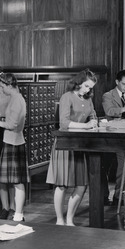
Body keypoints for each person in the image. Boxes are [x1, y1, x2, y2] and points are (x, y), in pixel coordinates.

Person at [46, 69, 98, 226]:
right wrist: (86, 126)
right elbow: (64, 123)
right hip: (65, 144)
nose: (89, 90)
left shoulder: (88, 98)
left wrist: (95, 122)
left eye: (91, 87)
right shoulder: (66, 97)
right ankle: (59, 220)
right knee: (61, 184)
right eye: (87, 86)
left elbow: (93, 115)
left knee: (81, 185)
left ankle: (69, 219)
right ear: (79, 82)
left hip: (80, 144)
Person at [0, 73, 29, 222]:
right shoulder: (16, 98)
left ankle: (19, 214)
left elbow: (11, 125)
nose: (1, 90)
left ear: (9, 85)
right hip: (12, 141)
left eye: (2, 87)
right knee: (11, 180)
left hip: (14, 143)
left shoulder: (16, 100)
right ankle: (15, 212)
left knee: (17, 181)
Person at [102, 69, 125, 206]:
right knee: (102, 166)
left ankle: (119, 197)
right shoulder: (108, 95)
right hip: (109, 136)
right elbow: (109, 111)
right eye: (124, 84)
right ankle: (103, 196)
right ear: (117, 82)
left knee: (123, 166)